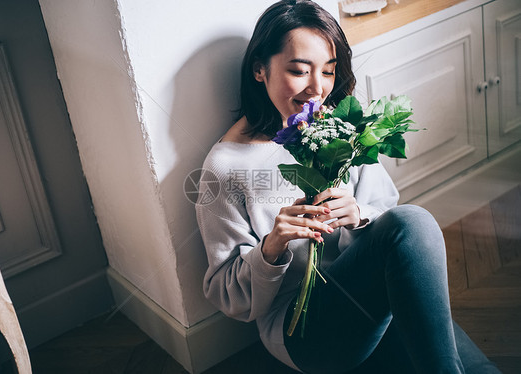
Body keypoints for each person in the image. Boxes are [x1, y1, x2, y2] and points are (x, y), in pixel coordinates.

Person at [195, 1, 501, 373]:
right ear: (260, 69)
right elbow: (231, 297)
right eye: (298, 70)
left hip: (372, 297)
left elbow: (390, 223)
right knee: (413, 222)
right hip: (302, 330)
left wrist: (359, 216)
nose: (317, 88)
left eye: (328, 71)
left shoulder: (339, 130)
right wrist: (271, 248)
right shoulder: (224, 167)